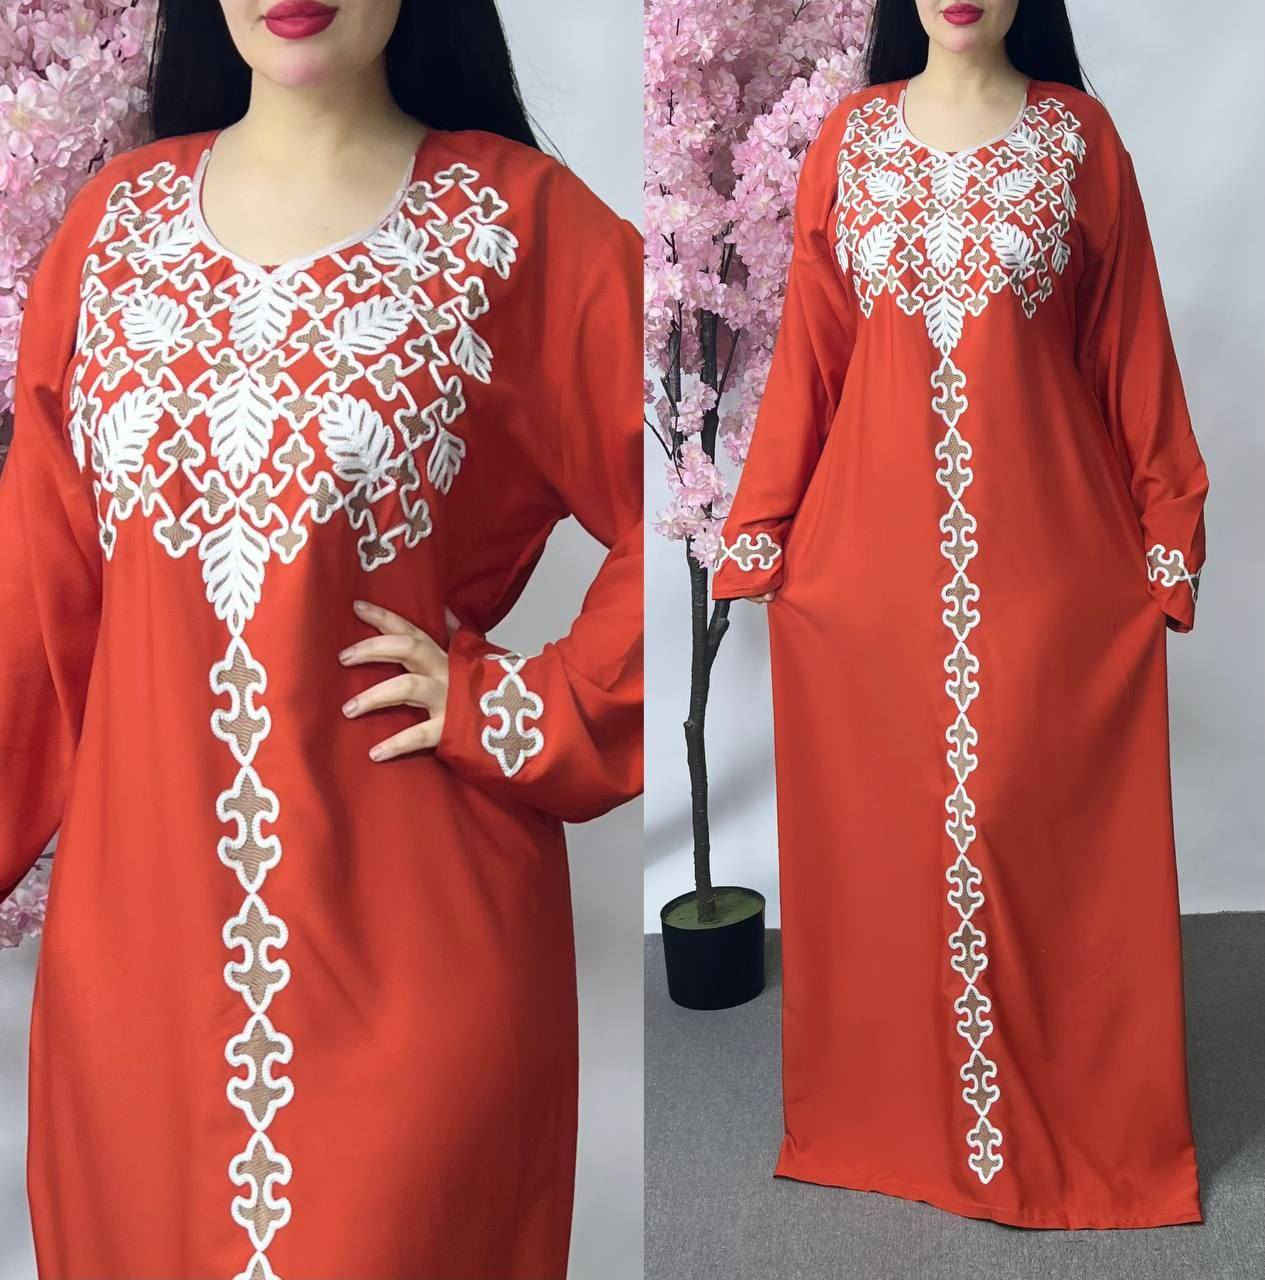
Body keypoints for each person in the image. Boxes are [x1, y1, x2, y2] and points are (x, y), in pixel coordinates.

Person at [0, 1, 642, 1275]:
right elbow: (32, 610)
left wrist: (515, 704)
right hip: (137, 992)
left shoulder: (518, 226)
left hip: (417, 978)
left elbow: (682, 499)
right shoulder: (109, 232)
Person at [711, 0, 1208, 1228]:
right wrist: (761, 530)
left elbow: (1129, 346)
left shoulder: (1079, 141)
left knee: (1023, 826)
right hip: (868, 569)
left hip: (1049, 559)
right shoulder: (849, 140)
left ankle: (1078, 1120)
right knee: (893, 841)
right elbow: (812, 354)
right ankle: (899, 1119)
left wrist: (1167, 527)